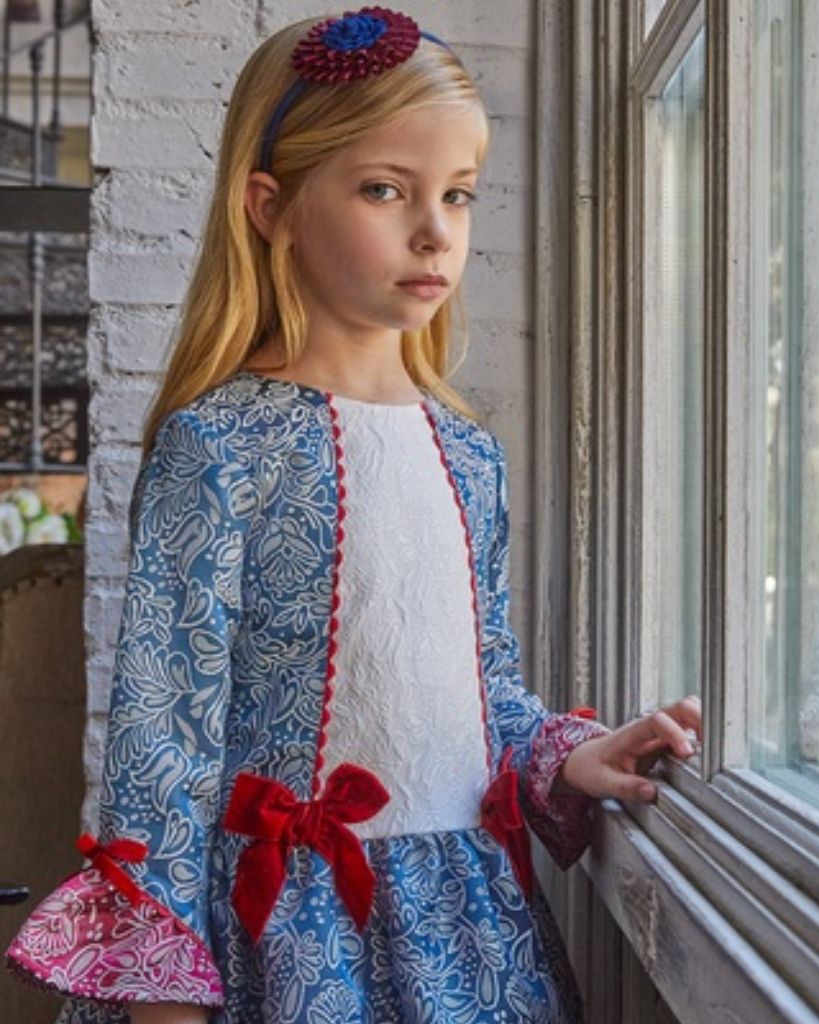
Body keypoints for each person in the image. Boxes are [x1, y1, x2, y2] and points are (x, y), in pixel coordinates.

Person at [5, 9, 702, 1023]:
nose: (436, 231)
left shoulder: (469, 457)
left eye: (457, 195)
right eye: (385, 189)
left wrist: (561, 755)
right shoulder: (221, 445)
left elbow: (480, 692)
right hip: (291, 945)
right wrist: (161, 997)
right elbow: (164, 742)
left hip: (466, 936)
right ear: (271, 206)